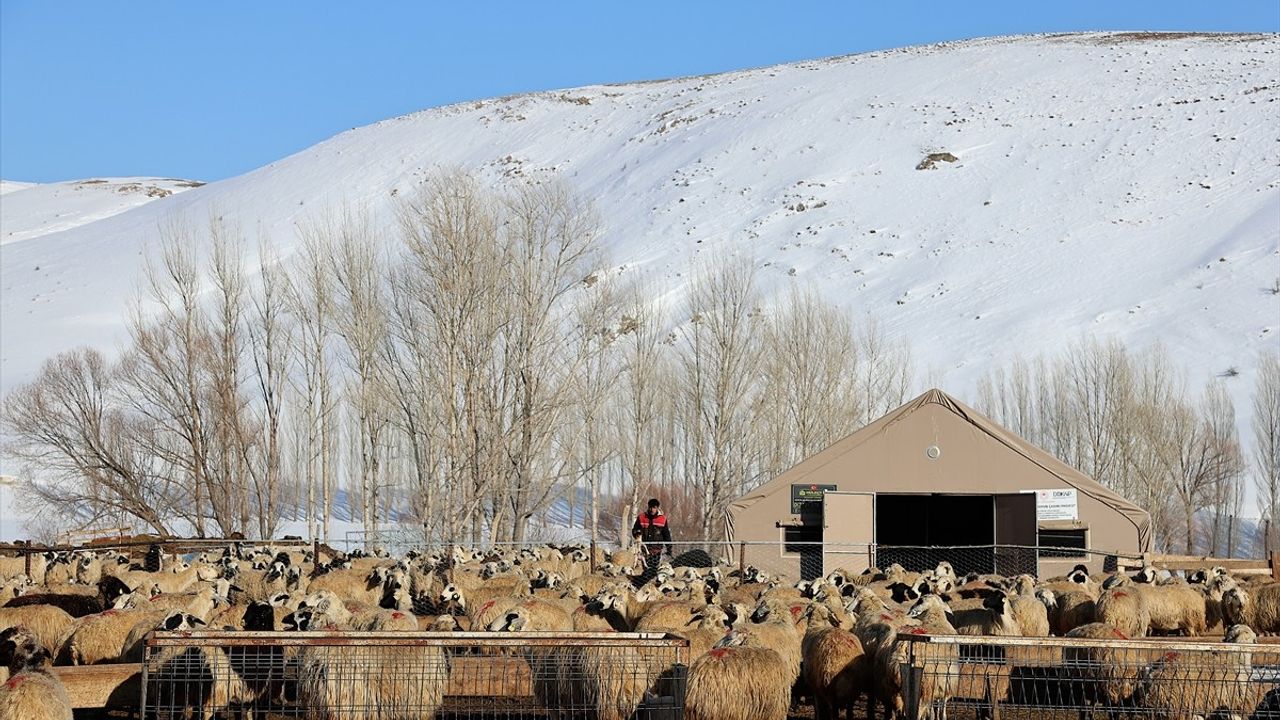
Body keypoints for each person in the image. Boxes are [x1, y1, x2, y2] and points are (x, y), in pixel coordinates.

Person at [631, 498, 672, 579]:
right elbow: (634, 530)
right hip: (643, 549)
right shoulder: (641, 517)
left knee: (653, 569)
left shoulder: (662, 519)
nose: (652, 509)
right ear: (648, 507)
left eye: (654, 507)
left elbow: (666, 534)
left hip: (656, 549)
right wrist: (637, 533)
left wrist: (669, 547)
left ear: (657, 508)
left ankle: (649, 585)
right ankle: (642, 583)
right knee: (644, 569)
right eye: (650, 507)